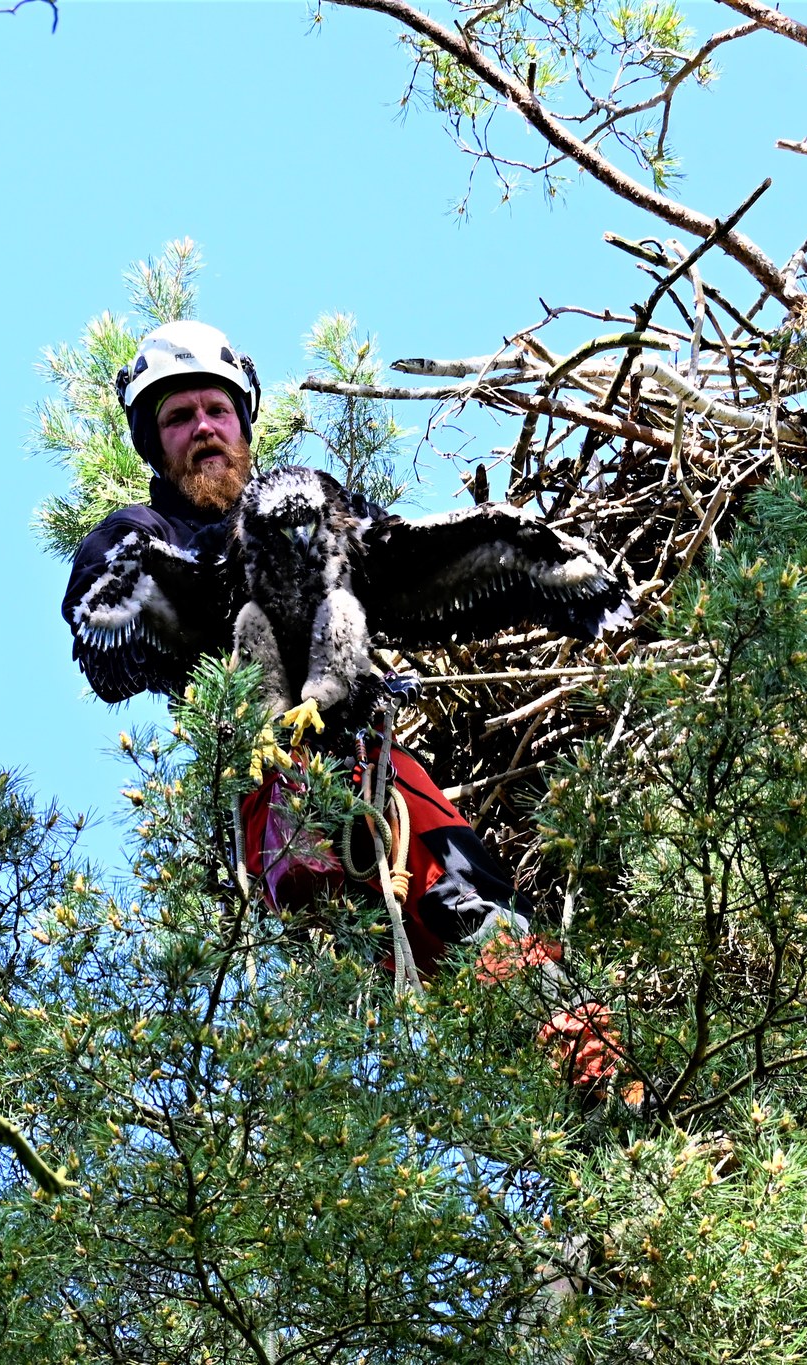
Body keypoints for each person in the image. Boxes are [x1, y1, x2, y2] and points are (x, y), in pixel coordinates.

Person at [60, 320, 622, 1093]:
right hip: (273, 785)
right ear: (154, 446)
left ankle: (596, 1079)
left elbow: (400, 550)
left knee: (483, 911)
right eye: (178, 418)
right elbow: (102, 648)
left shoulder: (316, 501)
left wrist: (538, 561)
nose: (203, 430)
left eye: (216, 411)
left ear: (244, 422)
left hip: (375, 768)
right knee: (370, 905)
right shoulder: (139, 537)